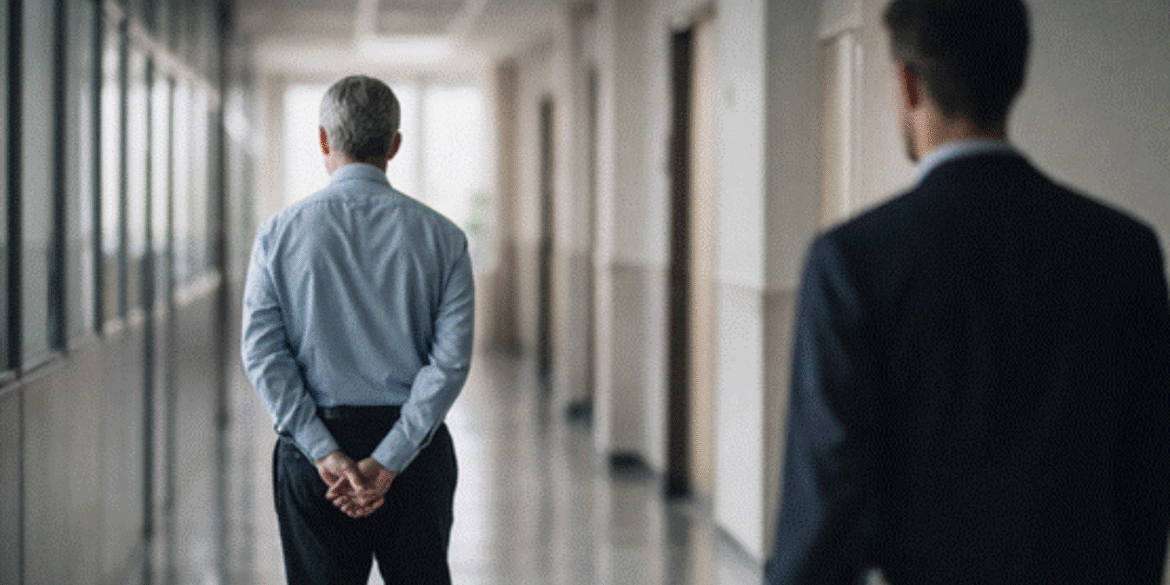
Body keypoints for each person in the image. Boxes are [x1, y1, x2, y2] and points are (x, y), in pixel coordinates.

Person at [765, 0, 1170, 583]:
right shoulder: (1123, 251)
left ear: (908, 82)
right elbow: (1146, 482)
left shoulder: (854, 262)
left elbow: (823, 514)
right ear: (1016, 74)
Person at [241, 75, 474, 585]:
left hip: (314, 455)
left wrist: (323, 451)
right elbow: (450, 363)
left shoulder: (278, 235)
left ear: (323, 140)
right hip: (415, 455)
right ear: (394, 145)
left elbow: (263, 355)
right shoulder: (444, 238)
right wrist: (389, 460)